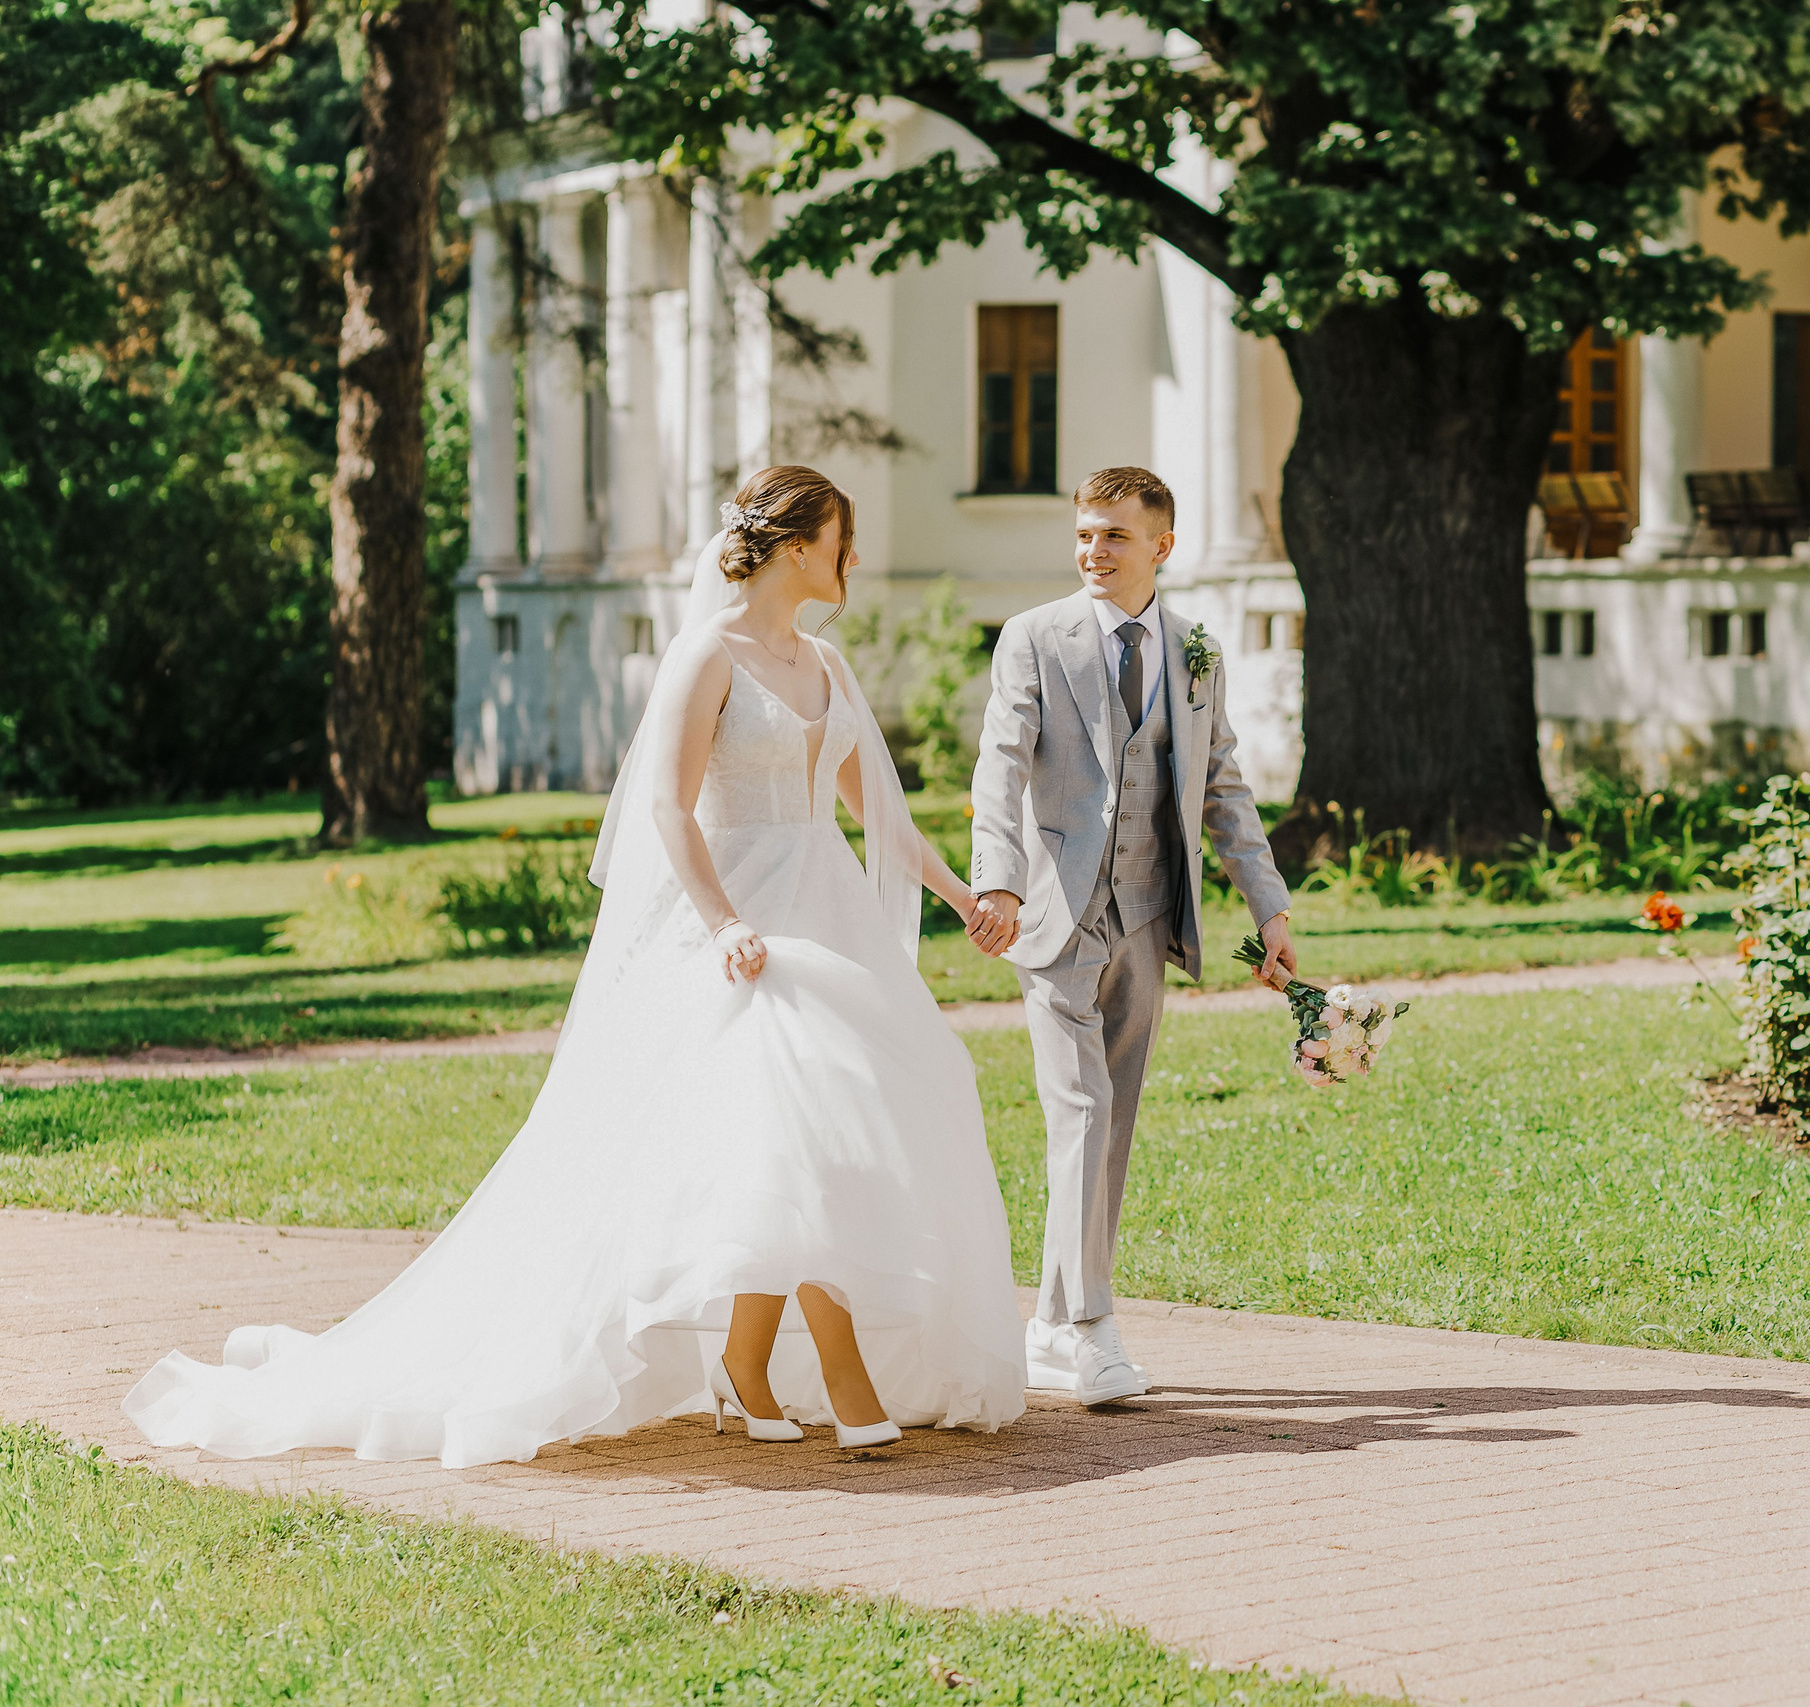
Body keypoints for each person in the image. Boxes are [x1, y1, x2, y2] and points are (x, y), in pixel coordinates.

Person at [124, 466, 1027, 1469]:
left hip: (829, 920)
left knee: (808, 1137)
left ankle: (747, 1363)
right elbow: (667, 811)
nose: (852, 560)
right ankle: (837, 1371)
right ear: (796, 545)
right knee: (790, 1122)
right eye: (841, 540)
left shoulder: (827, 666)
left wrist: (964, 899)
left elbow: (878, 819)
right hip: (743, 930)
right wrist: (723, 923)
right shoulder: (706, 655)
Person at [964, 465, 1295, 1405]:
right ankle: (1093, 1330)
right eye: (1083, 534)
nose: (1092, 551)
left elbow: (1222, 784)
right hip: (1055, 918)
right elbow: (1000, 766)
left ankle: (1047, 1326)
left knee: (1110, 1129)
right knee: (1079, 1112)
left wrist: (1268, 904)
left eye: (1113, 534)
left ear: (1163, 545)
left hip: (1150, 917)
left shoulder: (1196, 650)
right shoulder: (1034, 638)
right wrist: (995, 880)